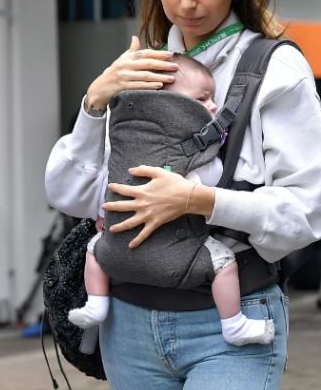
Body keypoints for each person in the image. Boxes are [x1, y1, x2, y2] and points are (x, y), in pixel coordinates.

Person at [45, 0, 321, 389]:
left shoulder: (277, 68)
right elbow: (72, 195)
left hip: (231, 320)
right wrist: (95, 103)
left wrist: (198, 200)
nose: (186, 3)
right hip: (127, 324)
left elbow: (307, 213)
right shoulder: (143, 68)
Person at [68, 55, 275, 347]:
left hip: (117, 252)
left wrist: (103, 216)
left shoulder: (125, 141)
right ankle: (234, 324)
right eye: (202, 99)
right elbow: (215, 175)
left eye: (212, 98)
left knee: (94, 249)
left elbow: (109, 186)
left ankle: (96, 303)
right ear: (169, 104)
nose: (213, 107)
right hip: (181, 255)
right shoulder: (197, 151)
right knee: (225, 263)